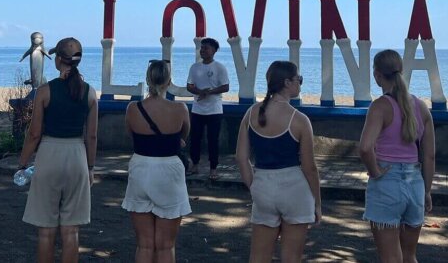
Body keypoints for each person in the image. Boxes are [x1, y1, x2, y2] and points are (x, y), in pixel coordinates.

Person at [18, 37, 98, 263]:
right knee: (71, 230)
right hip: (77, 155)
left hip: (49, 154)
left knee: (46, 230)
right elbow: (92, 136)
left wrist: (23, 162)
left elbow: (34, 133)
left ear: (59, 60)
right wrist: (91, 166)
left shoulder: (45, 91)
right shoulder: (89, 92)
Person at [235, 61, 320, 263]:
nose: (300, 83)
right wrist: (317, 202)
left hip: (263, 184)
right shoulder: (299, 119)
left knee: (258, 257)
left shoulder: (251, 113)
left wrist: (253, 185)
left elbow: (241, 157)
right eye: (299, 79)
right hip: (295, 188)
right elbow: (309, 167)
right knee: (291, 257)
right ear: (287, 83)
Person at [358, 50, 436, 263]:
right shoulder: (421, 107)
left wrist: (375, 172)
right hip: (415, 183)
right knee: (409, 255)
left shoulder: (380, 106)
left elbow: (365, 148)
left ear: (377, 75)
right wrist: (427, 190)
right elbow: (429, 156)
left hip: (387, 183)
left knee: (391, 257)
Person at [122, 60, 191, 263]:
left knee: (144, 244)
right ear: (169, 82)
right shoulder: (180, 109)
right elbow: (184, 136)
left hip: (141, 167)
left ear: (148, 79)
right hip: (169, 170)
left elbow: (131, 135)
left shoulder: (133, 109)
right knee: (165, 246)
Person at [185, 37, 229, 180]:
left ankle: (213, 168)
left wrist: (208, 92)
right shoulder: (194, 67)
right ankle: (195, 165)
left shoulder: (219, 67)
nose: (202, 50)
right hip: (197, 110)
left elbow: (225, 87)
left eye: (206, 48)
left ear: (214, 51)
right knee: (195, 139)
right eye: (202, 48)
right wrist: (199, 92)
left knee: (213, 140)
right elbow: (189, 85)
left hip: (214, 110)